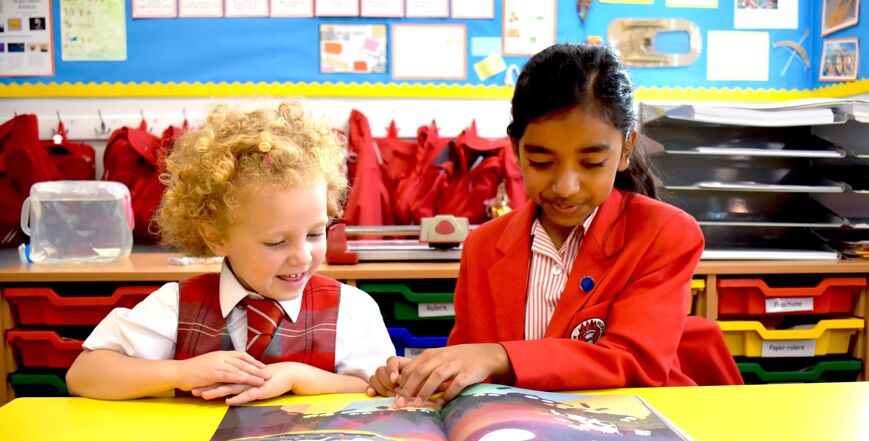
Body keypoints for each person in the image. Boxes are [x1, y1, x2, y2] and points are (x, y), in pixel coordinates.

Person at [369, 43, 705, 407]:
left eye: (591, 163)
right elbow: (470, 364)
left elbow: (635, 361)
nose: (565, 187)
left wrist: (500, 356)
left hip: (630, 424)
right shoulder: (484, 245)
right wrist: (423, 374)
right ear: (516, 150)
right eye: (542, 163)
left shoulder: (663, 233)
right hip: (518, 429)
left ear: (625, 149)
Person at [67, 101, 395, 405]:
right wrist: (181, 372)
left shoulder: (352, 310)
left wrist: (299, 377)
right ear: (215, 237)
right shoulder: (177, 306)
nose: (303, 257)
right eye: (276, 242)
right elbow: (83, 375)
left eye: (314, 233)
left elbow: (377, 391)